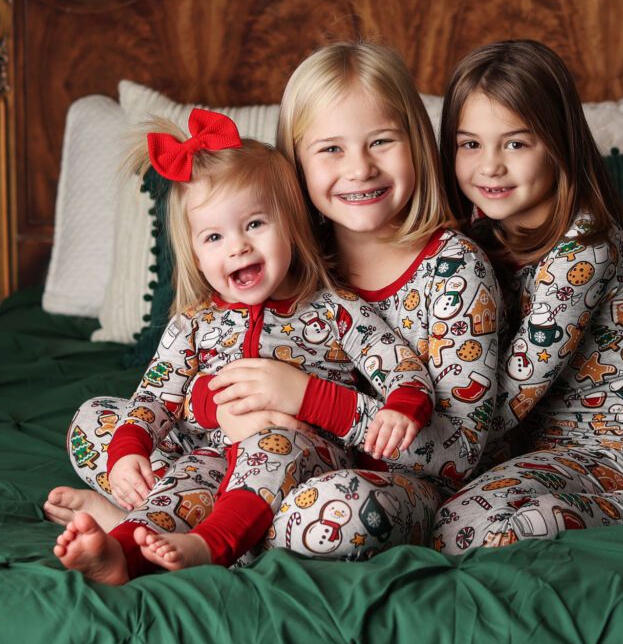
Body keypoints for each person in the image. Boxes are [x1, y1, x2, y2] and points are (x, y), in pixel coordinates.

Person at [50, 108, 434, 582]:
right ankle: (125, 549)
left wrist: (403, 405)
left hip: (302, 457)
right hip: (209, 456)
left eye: (254, 224)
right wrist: (130, 449)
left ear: (291, 223)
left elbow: (401, 366)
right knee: (108, 427)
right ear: (195, 252)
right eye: (214, 236)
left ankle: (206, 545)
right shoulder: (191, 325)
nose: (237, 247)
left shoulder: (334, 309)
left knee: (270, 448)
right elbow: (154, 397)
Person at [431, 40, 623, 552]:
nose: (490, 167)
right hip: (519, 449)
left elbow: (503, 400)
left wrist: (413, 441)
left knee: (463, 528)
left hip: (607, 448)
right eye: (470, 144)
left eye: (516, 144)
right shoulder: (477, 241)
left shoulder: (585, 248)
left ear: (560, 143)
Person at [205, 42, 502, 558]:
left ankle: (220, 529)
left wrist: (308, 397)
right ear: (295, 163)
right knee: (108, 428)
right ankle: (199, 524)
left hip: (399, 488)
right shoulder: (280, 263)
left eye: (381, 141)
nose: (360, 168)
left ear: (417, 141)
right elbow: (201, 361)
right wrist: (228, 412)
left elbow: (459, 453)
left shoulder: (455, 269)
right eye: (330, 149)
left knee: (336, 512)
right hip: (274, 460)